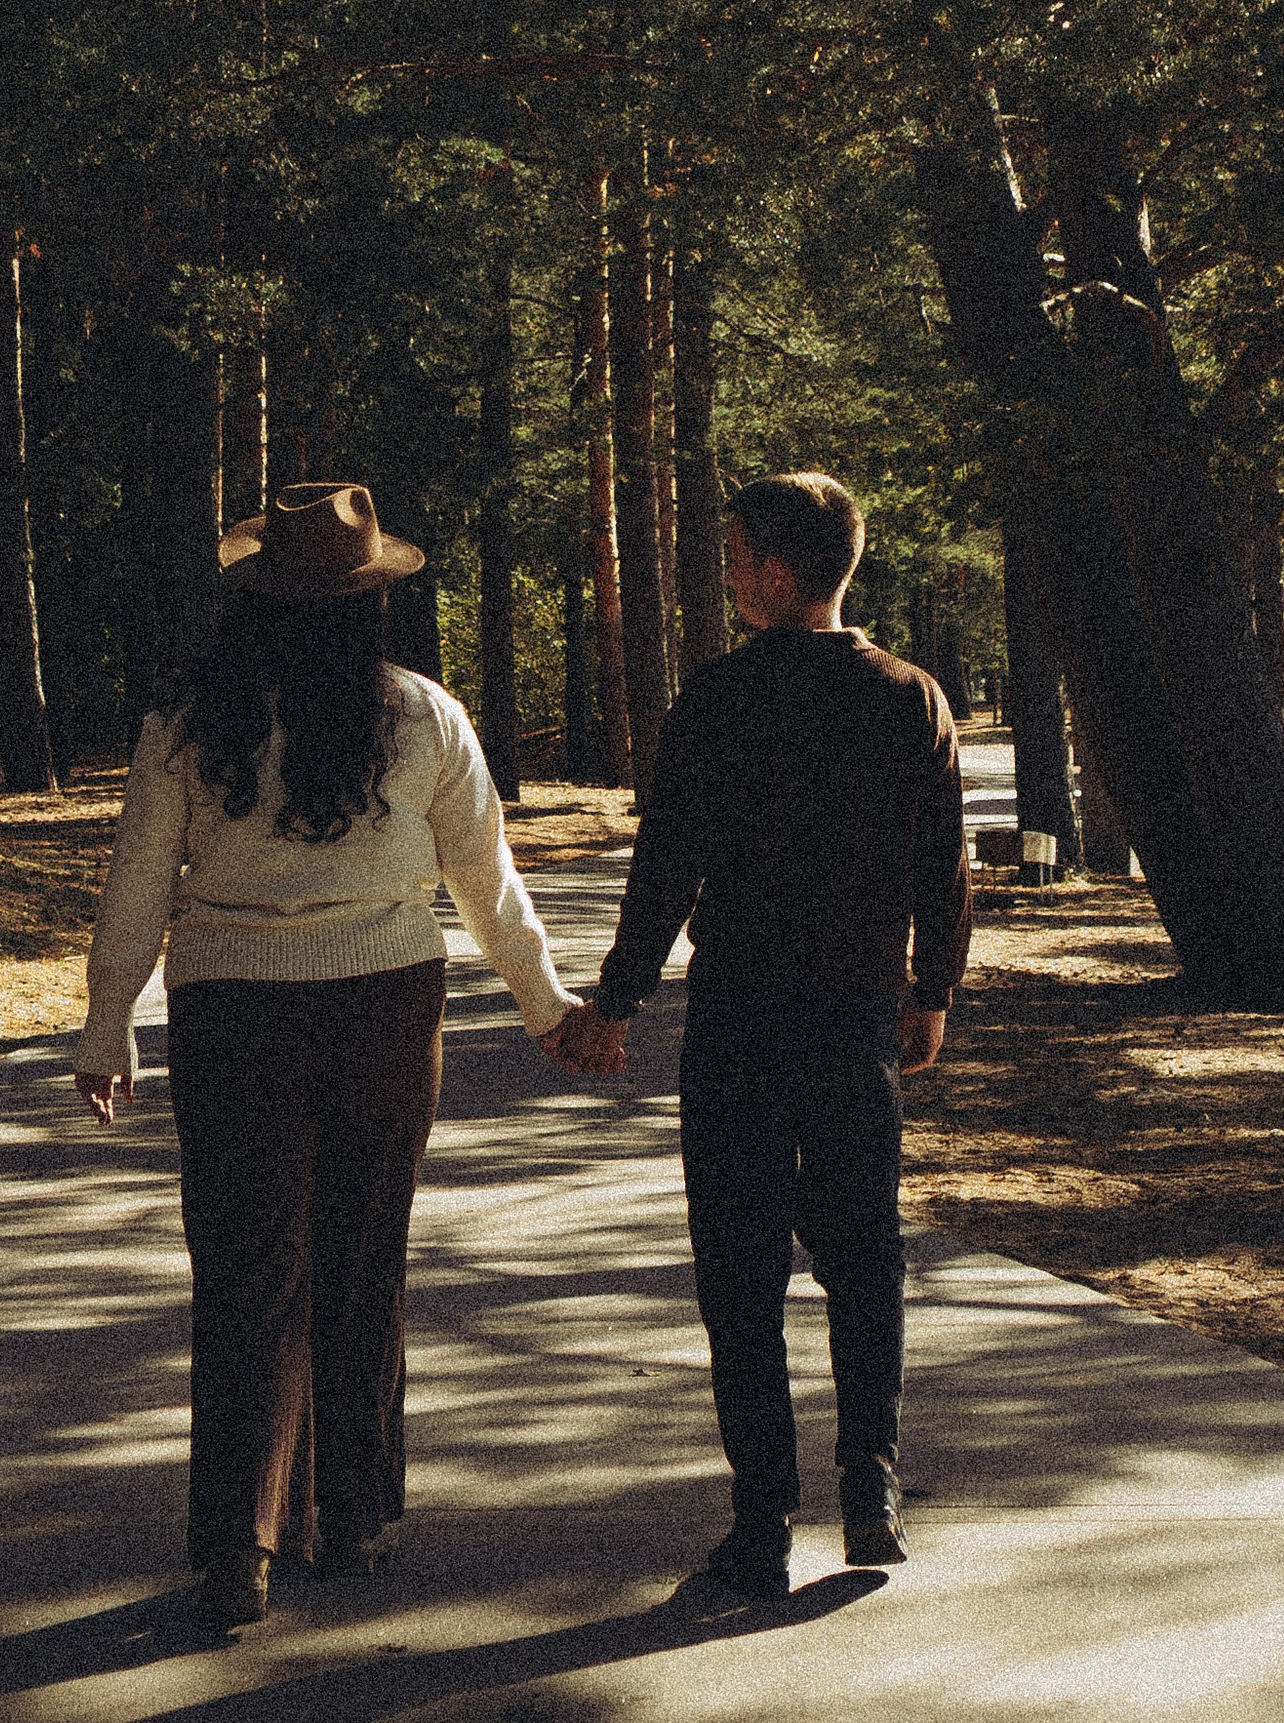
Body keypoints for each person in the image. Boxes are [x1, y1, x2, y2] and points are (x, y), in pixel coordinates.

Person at [73, 479, 584, 1631]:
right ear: (369, 604)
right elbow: (486, 884)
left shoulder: (187, 724)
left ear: (253, 601)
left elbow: (138, 888)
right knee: (362, 1260)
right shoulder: (422, 717)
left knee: (248, 1272)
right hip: (384, 1015)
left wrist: (108, 1029)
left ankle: (238, 1547)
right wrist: (545, 1005)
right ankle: (349, 1517)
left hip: (232, 1018)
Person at [553, 470, 972, 1601]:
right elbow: (946, 862)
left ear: (779, 573)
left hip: (739, 1019)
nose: (727, 574)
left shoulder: (718, 701)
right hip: (853, 1019)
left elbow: (666, 868)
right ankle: (870, 1484)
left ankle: (760, 1518)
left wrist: (619, 999)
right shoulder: (909, 696)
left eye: (736, 556)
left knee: (738, 1270)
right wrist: (930, 989)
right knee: (861, 1255)